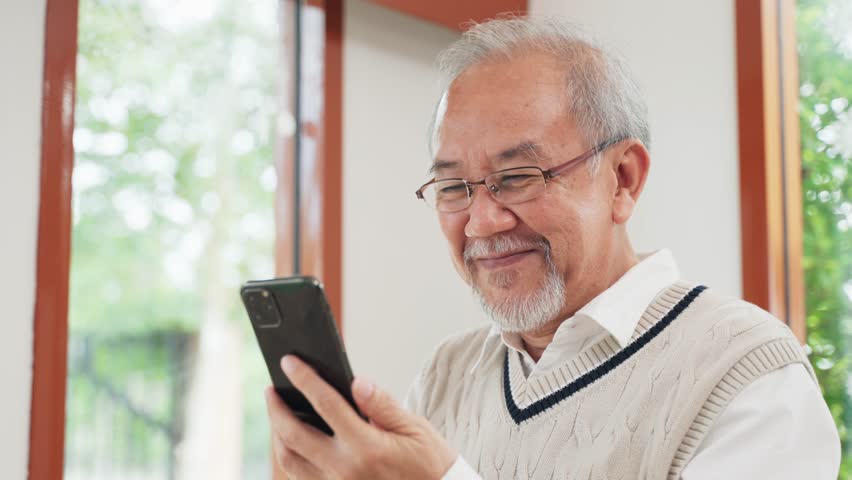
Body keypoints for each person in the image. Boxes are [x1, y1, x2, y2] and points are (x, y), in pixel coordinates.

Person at [263, 17, 841, 479]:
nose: (481, 222)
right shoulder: (447, 372)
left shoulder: (748, 374)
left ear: (623, 179)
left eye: (517, 177)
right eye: (453, 187)